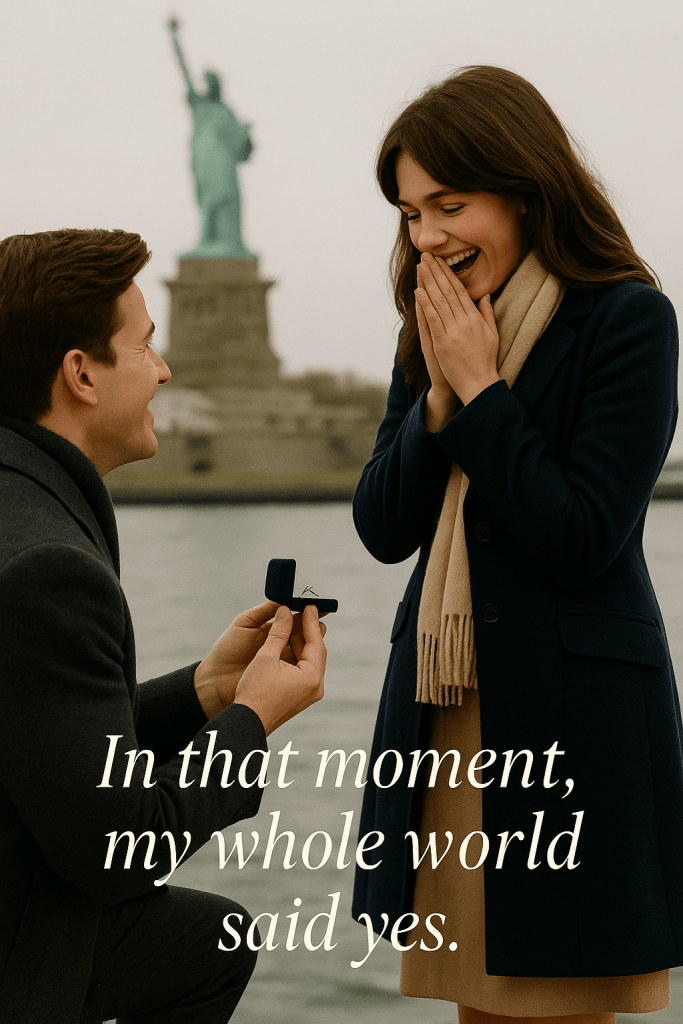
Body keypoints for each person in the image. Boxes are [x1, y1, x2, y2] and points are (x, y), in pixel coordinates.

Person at [351, 66, 683, 1024]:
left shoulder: (626, 320)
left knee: (559, 1000)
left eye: (449, 205)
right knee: (479, 1006)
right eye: (411, 214)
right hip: (447, 712)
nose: (429, 236)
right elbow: (382, 527)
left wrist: (485, 394)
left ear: (526, 188)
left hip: (571, 724)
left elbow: (581, 537)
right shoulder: (431, 333)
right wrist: (442, 398)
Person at [0, 228, 327, 1024]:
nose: (166, 369)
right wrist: (254, 720)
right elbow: (117, 849)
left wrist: (205, 693)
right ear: (80, 373)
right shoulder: (49, 564)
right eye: (145, 346)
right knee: (211, 943)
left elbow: (45, 746)